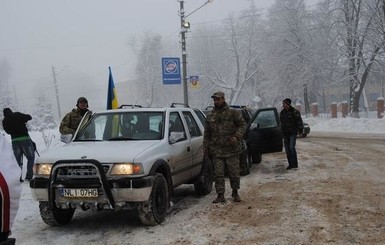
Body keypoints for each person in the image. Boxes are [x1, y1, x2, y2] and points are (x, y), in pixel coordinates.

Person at [203, 92, 246, 203]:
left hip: (231, 149)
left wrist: (236, 137)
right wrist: (205, 147)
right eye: (214, 100)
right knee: (218, 174)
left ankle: (235, 192)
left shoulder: (233, 113)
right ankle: (220, 194)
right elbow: (207, 133)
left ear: (223, 99)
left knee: (234, 173)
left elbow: (242, 125)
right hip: (217, 150)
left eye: (218, 99)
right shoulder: (210, 115)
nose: (216, 102)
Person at [2, 108, 35, 181]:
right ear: (11, 111)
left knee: (18, 161)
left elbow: (8, 132)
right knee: (30, 157)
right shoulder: (17, 115)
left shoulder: (4, 121)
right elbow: (29, 117)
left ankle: (18, 178)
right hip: (25, 139)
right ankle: (29, 176)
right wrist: (24, 120)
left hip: (15, 141)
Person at [0, 134, 22, 243]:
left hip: (16, 139)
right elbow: (7, 185)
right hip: (21, 139)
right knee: (30, 157)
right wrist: (4, 230)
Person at [280, 98, 303, 170]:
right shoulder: (282, 113)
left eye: (284, 104)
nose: (283, 105)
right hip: (285, 133)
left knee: (291, 147)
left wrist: (300, 130)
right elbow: (281, 123)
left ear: (288, 104)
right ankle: (290, 164)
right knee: (287, 149)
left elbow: (299, 121)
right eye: (283, 104)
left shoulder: (294, 112)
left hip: (292, 132)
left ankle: (295, 164)